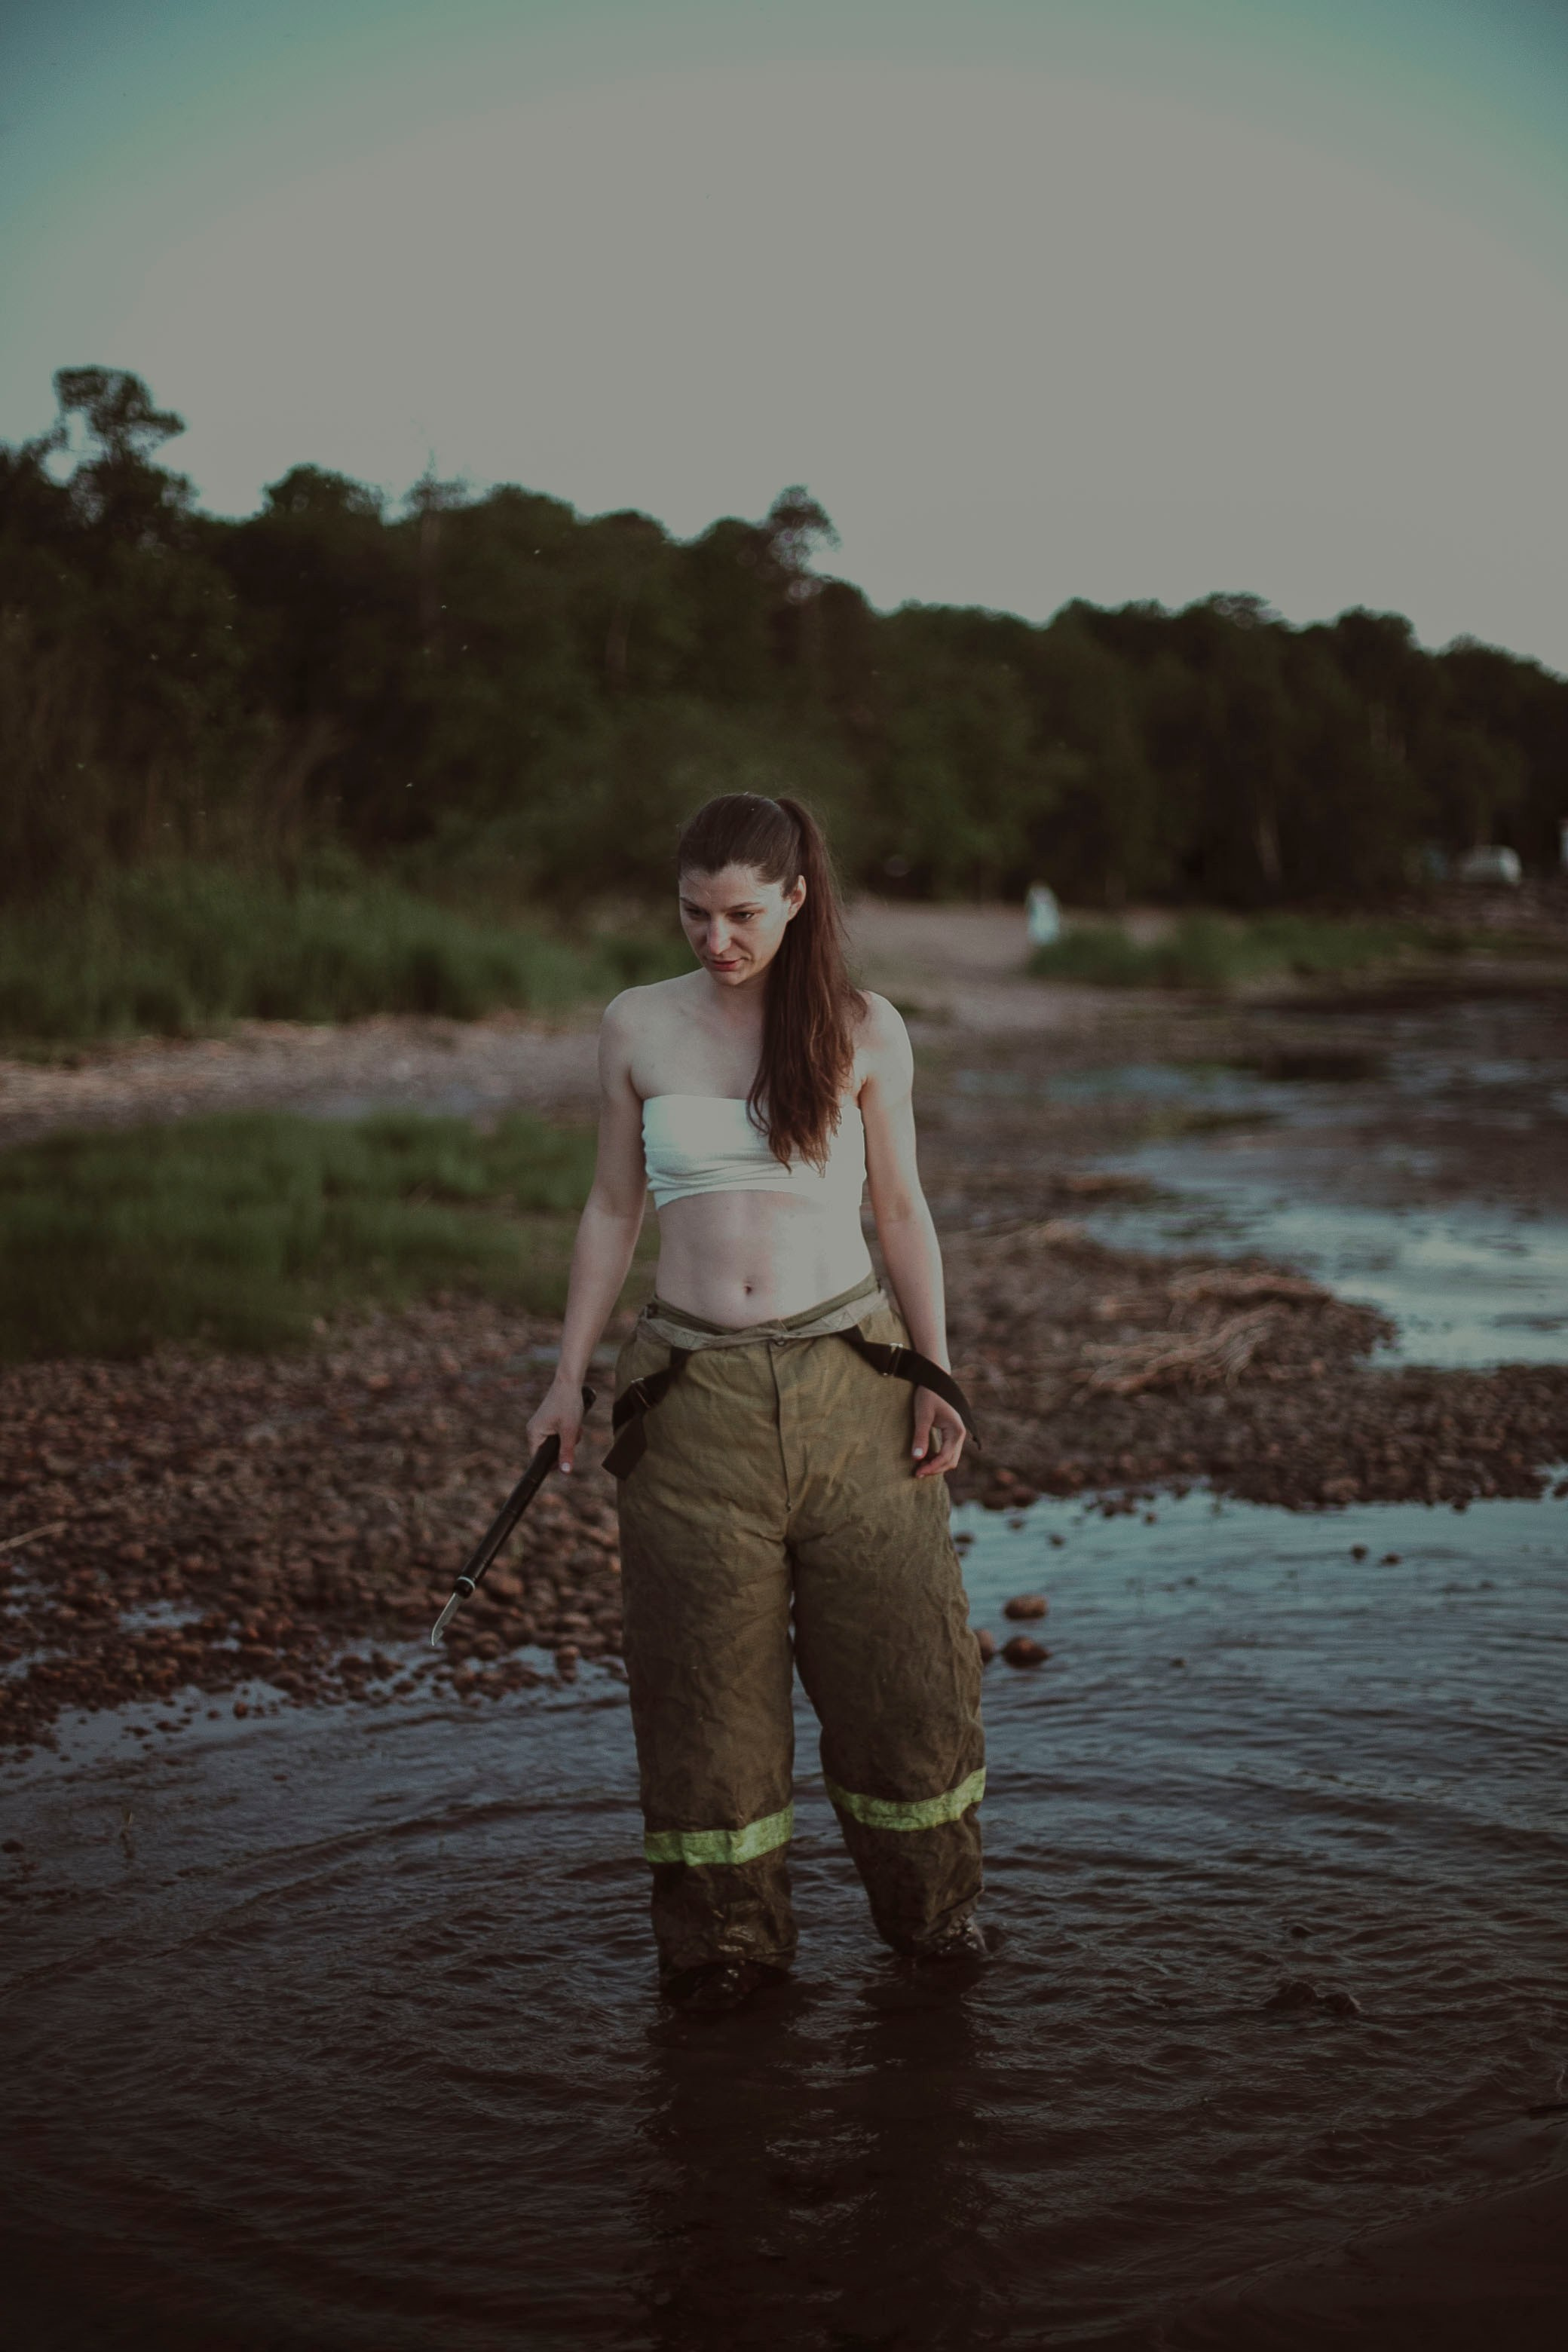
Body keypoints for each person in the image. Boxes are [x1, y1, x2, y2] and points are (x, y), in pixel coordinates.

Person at [526, 793, 986, 2011]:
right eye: (693, 912)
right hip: (688, 1402)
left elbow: (902, 1213)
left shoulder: (864, 1028)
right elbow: (611, 1211)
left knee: (902, 1680)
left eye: (740, 915)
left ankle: (936, 1936)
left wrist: (938, 1373)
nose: (714, 939)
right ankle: (727, 1966)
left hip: (856, 1384)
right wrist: (565, 1377)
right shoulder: (637, 1025)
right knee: (703, 1696)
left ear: (796, 899)